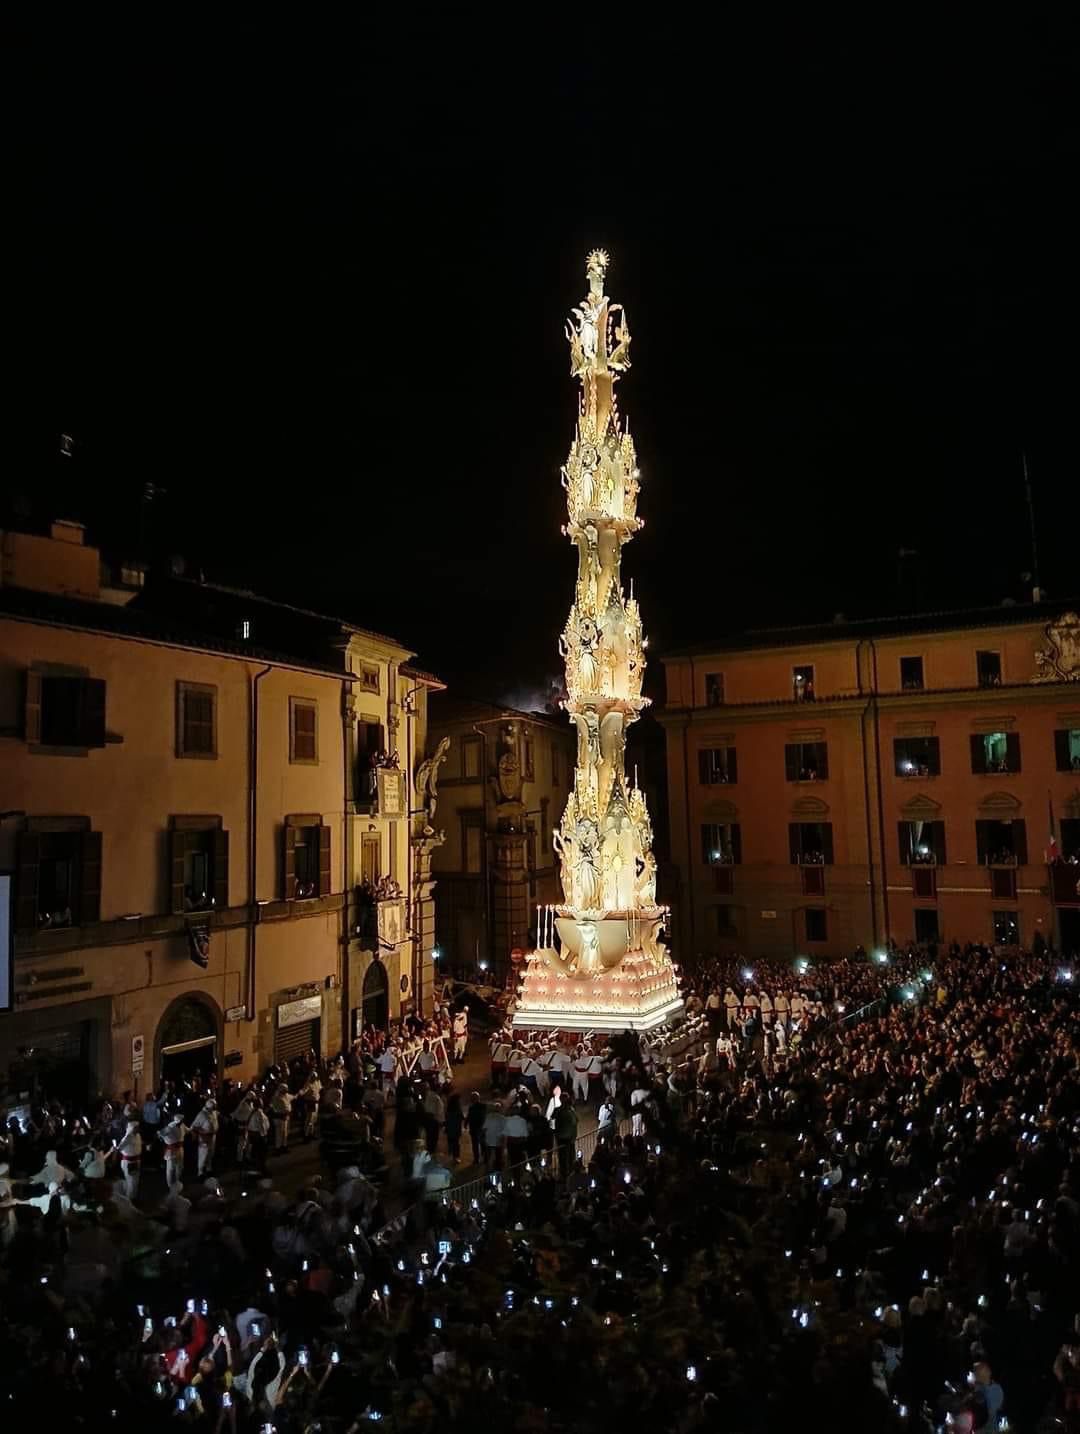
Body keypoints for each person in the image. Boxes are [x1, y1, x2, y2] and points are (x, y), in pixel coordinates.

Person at [191, 1097, 219, 1176]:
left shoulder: (213, 1112)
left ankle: (208, 1169)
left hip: (212, 1137)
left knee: (210, 1154)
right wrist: (200, 1133)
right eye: (214, 1106)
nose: (215, 1107)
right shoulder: (202, 1114)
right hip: (204, 1138)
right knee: (203, 1155)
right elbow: (193, 1126)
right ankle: (200, 1172)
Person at [159, 1112, 188, 1189]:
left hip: (180, 1148)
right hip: (171, 1150)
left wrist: (192, 1130)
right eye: (182, 1120)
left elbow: (187, 1130)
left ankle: (177, 1183)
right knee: (170, 1168)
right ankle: (169, 1185)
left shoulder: (182, 1125)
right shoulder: (170, 1127)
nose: (183, 1121)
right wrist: (166, 1139)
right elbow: (160, 1134)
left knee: (179, 1167)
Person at [466, 1092, 486, 1166]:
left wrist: (466, 1123)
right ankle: (481, 1158)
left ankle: (478, 1158)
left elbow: (469, 1116)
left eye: (473, 1098)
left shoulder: (475, 1107)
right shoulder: (482, 1106)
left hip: (478, 1128)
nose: (472, 1099)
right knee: (480, 1144)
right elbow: (469, 1116)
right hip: (478, 1128)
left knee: (477, 1144)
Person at [444, 1092, 463, 1164]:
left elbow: (446, 1119)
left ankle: (451, 1154)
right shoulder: (458, 1109)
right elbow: (461, 1118)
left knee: (451, 1142)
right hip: (455, 1128)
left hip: (450, 1128)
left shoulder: (449, 1109)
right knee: (456, 1143)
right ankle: (456, 1157)